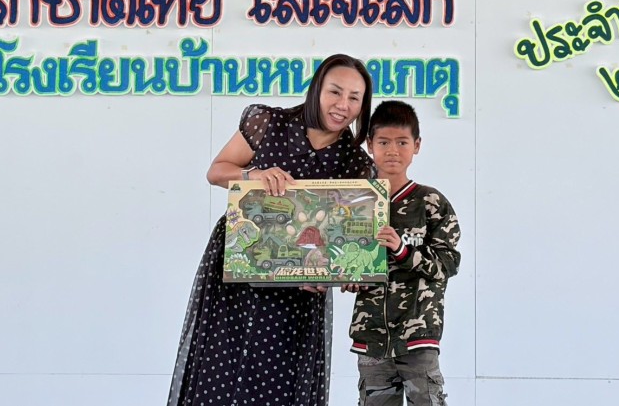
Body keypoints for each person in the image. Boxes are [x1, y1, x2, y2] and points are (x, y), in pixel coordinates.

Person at [168, 54, 376, 406]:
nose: (343, 105)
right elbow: (216, 171)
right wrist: (253, 175)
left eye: (354, 98)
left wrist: (333, 276)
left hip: (297, 295)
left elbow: (344, 242)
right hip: (238, 275)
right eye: (335, 92)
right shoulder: (269, 123)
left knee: (280, 382)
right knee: (222, 370)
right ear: (317, 89)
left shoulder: (355, 163)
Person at [343, 100, 461, 406]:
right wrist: (349, 277)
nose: (392, 150)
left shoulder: (431, 202)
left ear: (416, 145)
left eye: (402, 142)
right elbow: (343, 256)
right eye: (383, 142)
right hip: (371, 337)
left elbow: (447, 264)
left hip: (417, 334)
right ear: (370, 145)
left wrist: (402, 250)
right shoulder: (355, 202)